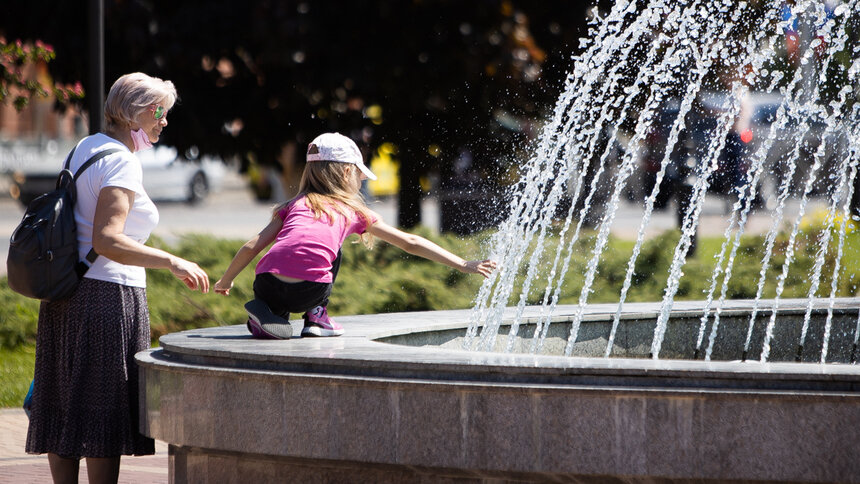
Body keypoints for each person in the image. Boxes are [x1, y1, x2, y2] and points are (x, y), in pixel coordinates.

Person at [25, 73, 210, 484]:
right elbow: (107, 239)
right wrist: (173, 262)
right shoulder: (123, 161)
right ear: (138, 112)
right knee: (102, 412)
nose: (163, 122)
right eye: (160, 113)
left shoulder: (85, 147)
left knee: (62, 405)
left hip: (66, 293)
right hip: (107, 297)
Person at [214, 132, 496, 339]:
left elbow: (252, 246)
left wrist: (227, 279)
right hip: (309, 290)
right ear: (347, 171)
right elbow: (411, 242)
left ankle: (268, 315)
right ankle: (315, 317)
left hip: (267, 283)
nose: (361, 181)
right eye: (359, 175)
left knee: (288, 254)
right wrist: (463, 264)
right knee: (332, 251)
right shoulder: (352, 211)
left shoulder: (291, 206)